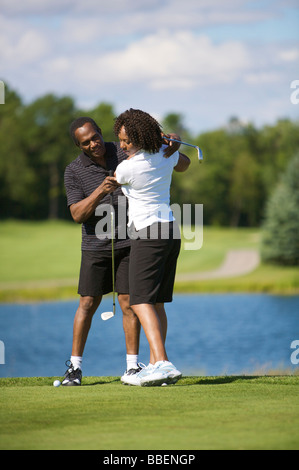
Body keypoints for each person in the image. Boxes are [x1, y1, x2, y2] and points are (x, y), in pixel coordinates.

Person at [62, 116, 181, 385]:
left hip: (133, 241)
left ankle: (133, 367)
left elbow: (158, 147)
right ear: (78, 146)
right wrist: (98, 192)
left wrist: (170, 139)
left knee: (132, 303)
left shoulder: (123, 149)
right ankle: (75, 368)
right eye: (86, 142)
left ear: (101, 132)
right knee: (88, 303)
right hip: (96, 244)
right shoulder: (73, 171)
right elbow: (77, 214)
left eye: (95, 137)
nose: (93, 144)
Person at [114, 108, 190, 386]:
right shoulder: (166, 154)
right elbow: (185, 164)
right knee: (156, 302)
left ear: (139, 137)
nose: (122, 146)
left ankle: (163, 362)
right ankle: (157, 363)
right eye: (120, 140)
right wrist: (173, 141)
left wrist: (168, 141)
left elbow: (118, 177)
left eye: (126, 141)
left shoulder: (127, 167)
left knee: (139, 300)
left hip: (148, 234)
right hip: (170, 231)